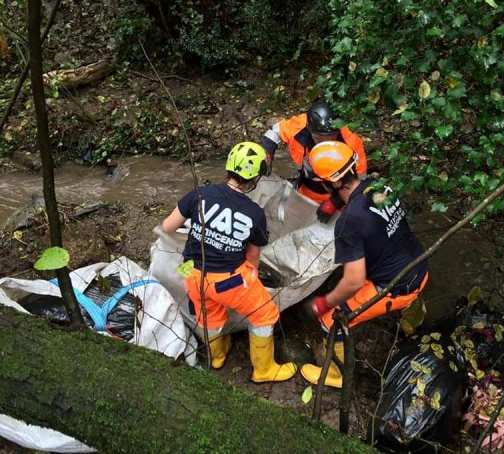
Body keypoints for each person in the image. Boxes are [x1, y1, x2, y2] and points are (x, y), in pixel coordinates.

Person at [161, 142, 296, 383]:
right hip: (229, 282)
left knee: (207, 316)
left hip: (191, 273)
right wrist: (250, 277)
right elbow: (253, 257)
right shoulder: (254, 213)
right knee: (264, 314)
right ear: (255, 179)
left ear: (228, 168)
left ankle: (217, 355)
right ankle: (264, 371)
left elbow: (168, 227)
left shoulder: (199, 194)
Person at [299, 141, 429, 389]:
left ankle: (336, 376)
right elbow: (365, 199)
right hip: (419, 265)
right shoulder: (380, 186)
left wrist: (325, 302)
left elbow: (354, 281)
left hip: (395, 285)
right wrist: (335, 202)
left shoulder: (349, 223)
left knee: (332, 320)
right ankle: (412, 321)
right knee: (402, 287)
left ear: (333, 183)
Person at [261, 100, 367, 222]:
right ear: (310, 130)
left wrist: (334, 202)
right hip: (305, 192)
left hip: (339, 196)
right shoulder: (300, 126)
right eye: (319, 138)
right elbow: (275, 131)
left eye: (330, 137)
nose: (324, 142)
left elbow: (360, 181)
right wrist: (266, 155)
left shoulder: (351, 141)